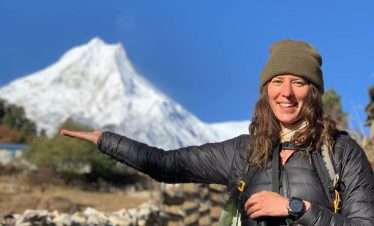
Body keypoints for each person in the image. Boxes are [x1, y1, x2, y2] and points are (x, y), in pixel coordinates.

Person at [61, 40, 374, 226]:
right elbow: (166, 165)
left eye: (299, 82)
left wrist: (297, 208)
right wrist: (105, 140)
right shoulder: (243, 152)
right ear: (266, 91)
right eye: (277, 82)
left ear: (314, 91)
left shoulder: (341, 152)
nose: (287, 93)